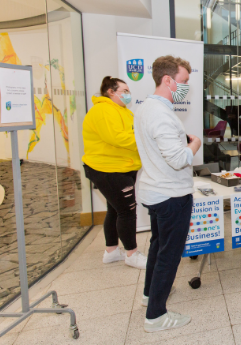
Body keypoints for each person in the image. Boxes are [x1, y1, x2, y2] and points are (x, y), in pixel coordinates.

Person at [134, 56, 202, 333]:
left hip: (156, 189)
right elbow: (177, 158)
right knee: (169, 255)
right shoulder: (160, 113)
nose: (186, 86)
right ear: (167, 80)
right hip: (170, 194)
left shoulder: (148, 108)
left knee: (158, 246)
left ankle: (150, 295)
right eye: (183, 81)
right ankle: (156, 315)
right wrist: (194, 144)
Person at [82, 76, 147, 270]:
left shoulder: (123, 111)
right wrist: (145, 140)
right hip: (109, 169)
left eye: (128, 91)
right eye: (124, 91)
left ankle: (111, 251)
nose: (128, 95)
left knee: (114, 209)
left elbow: (134, 132)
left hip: (121, 167)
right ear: (111, 91)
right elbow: (119, 138)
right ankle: (132, 254)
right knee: (127, 211)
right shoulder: (103, 110)